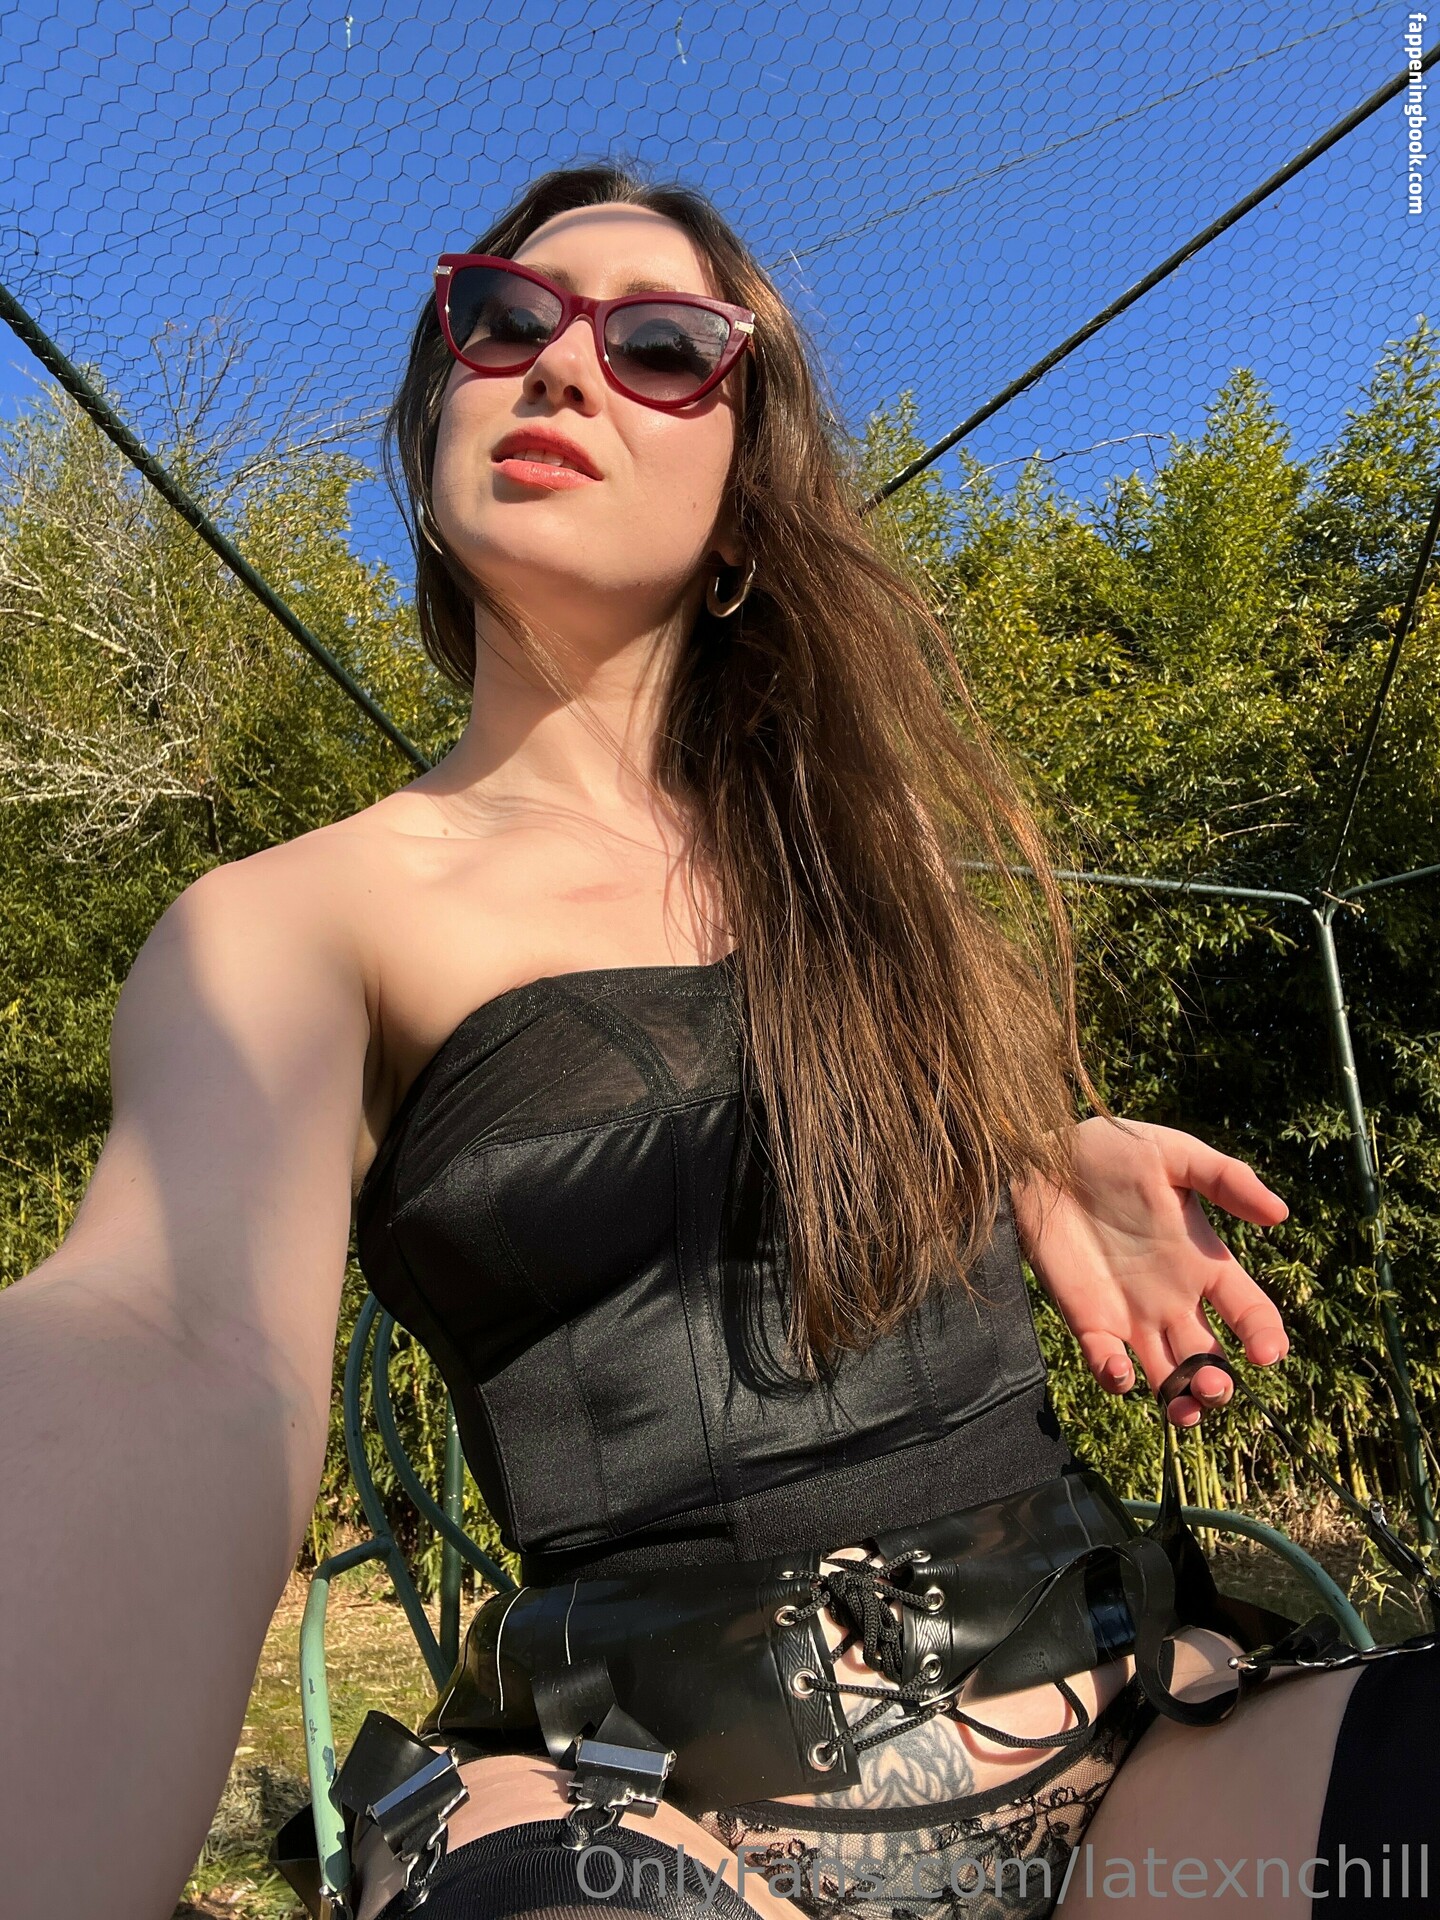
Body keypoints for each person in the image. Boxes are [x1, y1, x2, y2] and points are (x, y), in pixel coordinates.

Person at [2, 163, 1433, 1920]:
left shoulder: (868, 863)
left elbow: (810, 1133)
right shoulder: (294, 918)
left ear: (747, 502)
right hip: (651, 1802)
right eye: (503, 319)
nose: (560, 365)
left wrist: (1026, 1150)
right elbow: (180, 1327)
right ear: (439, 404)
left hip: (1128, 1749)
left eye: (664, 346)